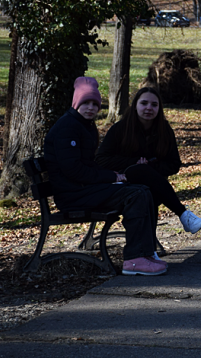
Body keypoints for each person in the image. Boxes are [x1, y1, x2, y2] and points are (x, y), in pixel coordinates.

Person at [44, 77, 166, 276]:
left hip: (83, 189)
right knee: (135, 194)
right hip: (73, 195)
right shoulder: (68, 127)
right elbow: (73, 170)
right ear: (76, 103)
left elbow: (89, 165)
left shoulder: (85, 125)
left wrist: (115, 176)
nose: (91, 108)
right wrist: (112, 177)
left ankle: (146, 253)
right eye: (86, 103)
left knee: (144, 190)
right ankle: (135, 259)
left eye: (95, 103)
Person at [96, 86, 201, 253]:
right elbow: (101, 160)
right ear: (135, 106)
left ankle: (148, 251)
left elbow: (173, 164)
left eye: (154, 105)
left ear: (159, 108)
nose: (149, 108)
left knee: (150, 189)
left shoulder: (164, 131)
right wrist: (133, 162)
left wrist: (151, 167)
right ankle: (182, 215)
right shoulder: (120, 129)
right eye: (144, 103)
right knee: (143, 178)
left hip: (151, 184)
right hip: (120, 182)